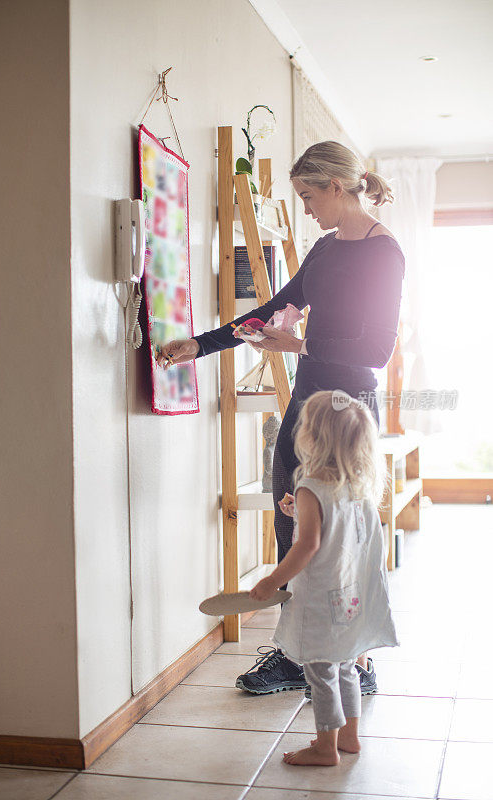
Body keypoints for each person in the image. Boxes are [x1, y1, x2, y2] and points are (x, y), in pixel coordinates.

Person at [156, 140, 405, 697]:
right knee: (291, 517)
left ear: (336, 188)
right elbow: (273, 311)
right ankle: (298, 652)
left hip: (347, 414)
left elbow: (375, 349)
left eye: (309, 196)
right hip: (307, 403)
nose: (307, 208)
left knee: (342, 531)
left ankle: (354, 657)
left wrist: (297, 343)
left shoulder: (383, 253)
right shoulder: (323, 248)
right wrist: (199, 345)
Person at [249, 390, 399, 766]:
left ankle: (324, 746)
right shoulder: (357, 486)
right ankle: (349, 738)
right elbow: (337, 529)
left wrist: (273, 580)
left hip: (318, 596)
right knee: (347, 664)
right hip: (348, 597)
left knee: (319, 671)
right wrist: (295, 507)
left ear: (312, 438)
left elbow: (308, 545)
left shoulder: (310, 486)